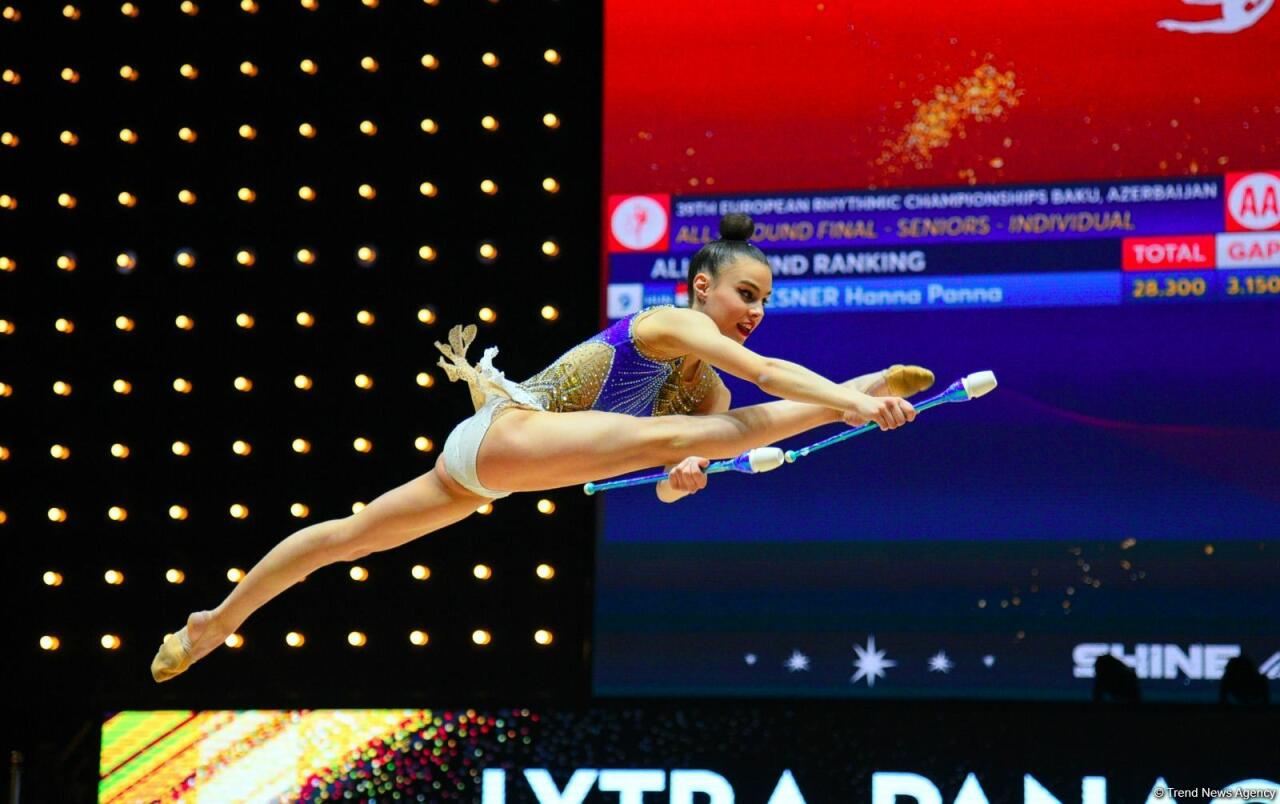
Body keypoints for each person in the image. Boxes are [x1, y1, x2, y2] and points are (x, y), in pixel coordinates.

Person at [151, 212, 932, 682]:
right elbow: (763, 376)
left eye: (765, 300)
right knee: (695, 431)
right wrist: (857, 400)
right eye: (745, 294)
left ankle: (212, 622)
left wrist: (683, 481)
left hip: (488, 473)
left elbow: (665, 477)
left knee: (348, 539)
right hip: (510, 431)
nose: (755, 311)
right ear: (702, 289)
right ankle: (859, 390)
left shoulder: (707, 398)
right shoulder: (669, 324)